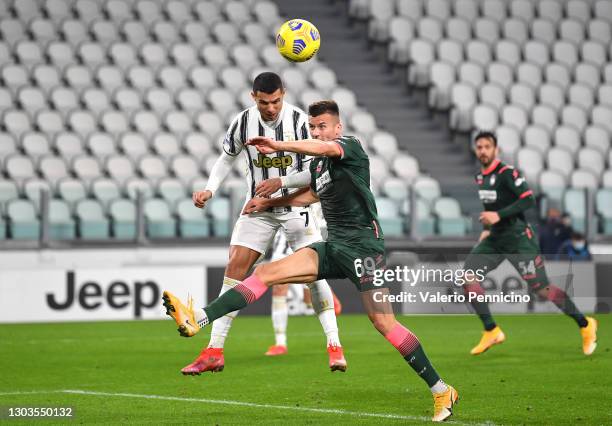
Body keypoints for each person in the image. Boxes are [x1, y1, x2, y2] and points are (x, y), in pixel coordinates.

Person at [163, 101, 459, 422]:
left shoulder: (350, 147)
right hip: (333, 247)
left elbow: (323, 148)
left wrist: (278, 144)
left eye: (322, 126)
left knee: (384, 323)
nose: (316, 131)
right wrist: (269, 201)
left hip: (363, 247)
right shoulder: (318, 167)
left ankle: (441, 389)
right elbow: (311, 195)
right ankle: (198, 318)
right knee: (267, 272)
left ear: (337, 128)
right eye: (313, 126)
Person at [183, 72, 346, 375]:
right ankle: (214, 351)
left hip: (295, 206)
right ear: (253, 97)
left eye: (276, 101)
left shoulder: (299, 122)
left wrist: (279, 183)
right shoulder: (243, 122)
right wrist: (210, 188)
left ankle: (334, 346)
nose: (271, 108)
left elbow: (314, 173)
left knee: (314, 273)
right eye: (264, 102)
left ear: (283, 94)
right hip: (257, 207)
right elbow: (226, 157)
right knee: (234, 270)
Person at [461, 130, 598, 356]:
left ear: (496, 150)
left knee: (542, 290)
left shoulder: (507, 173)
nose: (483, 151)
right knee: (467, 278)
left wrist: (499, 216)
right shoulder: (480, 177)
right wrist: (487, 229)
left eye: (487, 146)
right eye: (479, 147)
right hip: (495, 239)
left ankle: (586, 325)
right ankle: (491, 330)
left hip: (519, 240)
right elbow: (490, 209)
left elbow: (528, 198)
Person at [264, 228, 342, 356]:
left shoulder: (317, 210)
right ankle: (280, 343)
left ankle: (328, 302)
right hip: (284, 240)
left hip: (305, 238)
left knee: (309, 298)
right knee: (278, 288)